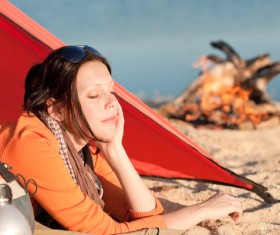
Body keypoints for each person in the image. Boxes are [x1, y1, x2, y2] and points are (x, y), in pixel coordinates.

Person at [0, 45, 242, 235]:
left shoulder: (82, 149)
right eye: (94, 95)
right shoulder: (31, 143)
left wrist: (115, 149)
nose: (111, 103)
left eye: (111, 90)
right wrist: (201, 210)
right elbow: (108, 233)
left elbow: (146, 216)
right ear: (56, 109)